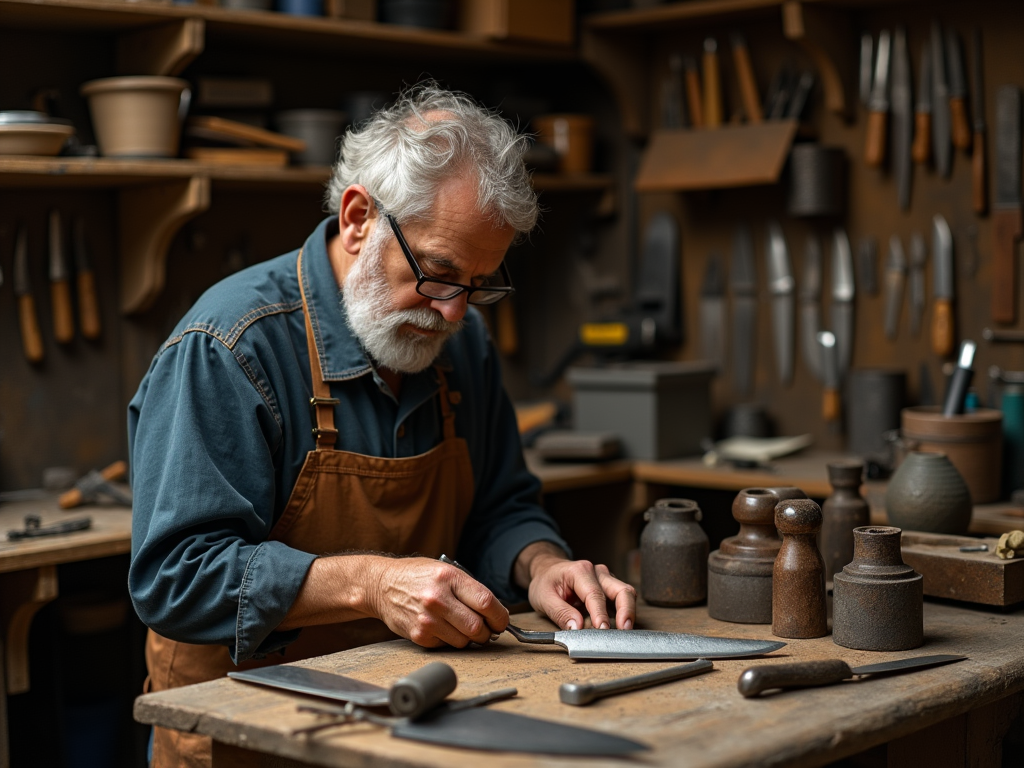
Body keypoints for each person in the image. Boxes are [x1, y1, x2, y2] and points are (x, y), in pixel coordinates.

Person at [128, 83, 636, 767]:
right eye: (437, 273)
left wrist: (541, 564)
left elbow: (500, 505)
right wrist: (371, 584)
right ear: (360, 216)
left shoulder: (463, 342)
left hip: (414, 722)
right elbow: (175, 578)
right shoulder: (229, 348)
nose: (455, 314)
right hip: (250, 731)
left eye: (479, 284)